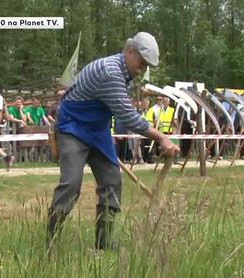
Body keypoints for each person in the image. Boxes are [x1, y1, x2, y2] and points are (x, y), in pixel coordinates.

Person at [47, 32, 179, 250]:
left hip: (97, 132)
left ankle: (104, 243)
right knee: (71, 184)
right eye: (142, 63)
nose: (142, 70)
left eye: (147, 66)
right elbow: (128, 116)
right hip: (72, 128)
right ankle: (50, 242)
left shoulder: (123, 72)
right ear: (129, 51)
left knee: (112, 182)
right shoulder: (110, 72)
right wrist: (162, 137)